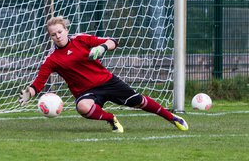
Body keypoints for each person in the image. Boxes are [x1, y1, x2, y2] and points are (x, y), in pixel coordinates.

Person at [19, 16, 188, 133]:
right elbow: (39, 82)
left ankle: (172, 118)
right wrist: (30, 92)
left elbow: (114, 41)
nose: (57, 36)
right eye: (53, 34)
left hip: (108, 82)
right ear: (50, 37)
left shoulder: (81, 39)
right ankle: (111, 119)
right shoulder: (52, 59)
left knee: (139, 102)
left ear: (66, 29)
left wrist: (102, 47)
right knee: (83, 107)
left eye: (60, 32)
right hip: (85, 93)